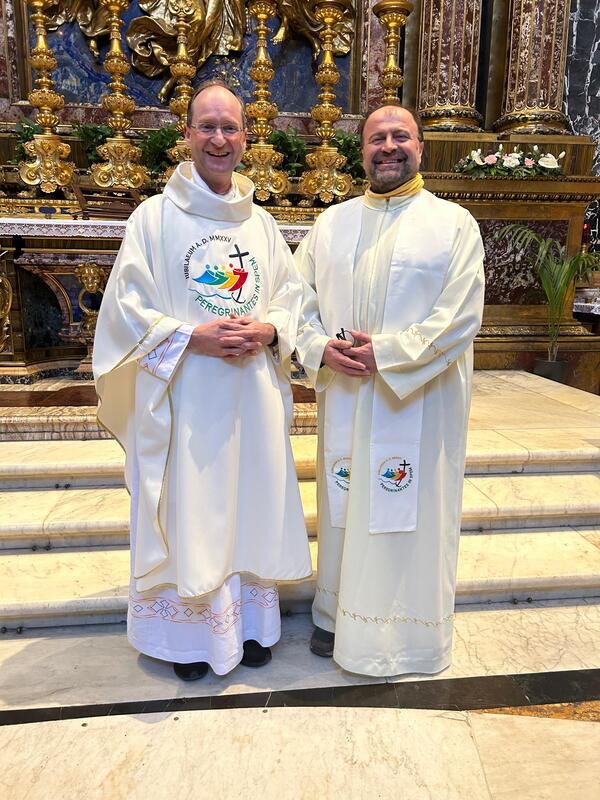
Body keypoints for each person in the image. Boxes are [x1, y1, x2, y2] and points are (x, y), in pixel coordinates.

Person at [93, 80, 312, 681]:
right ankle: (187, 639)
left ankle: (249, 627)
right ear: (187, 134)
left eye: (230, 127)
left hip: (250, 397)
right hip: (183, 397)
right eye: (208, 127)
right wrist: (193, 336)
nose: (219, 138)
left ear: (245, 136)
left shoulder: (260, 223)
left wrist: (269, 330)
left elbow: (292, 298)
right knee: (193, 510)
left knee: (249, 506)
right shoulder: (153, 218)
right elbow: (125, 310)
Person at [295, 104, 485, 677]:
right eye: (376, 137)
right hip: (349, 396)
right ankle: (336, 615)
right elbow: (295, 300)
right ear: (362, 152)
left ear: (420, 147)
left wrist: (391, 353)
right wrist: (319, 348)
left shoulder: (453, 224)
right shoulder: (332, 224)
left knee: (410, 513)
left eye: (401, 136)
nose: (388, 146)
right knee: (347, 506)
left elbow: (460, 314)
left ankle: (405, 633)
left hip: (419, 400)